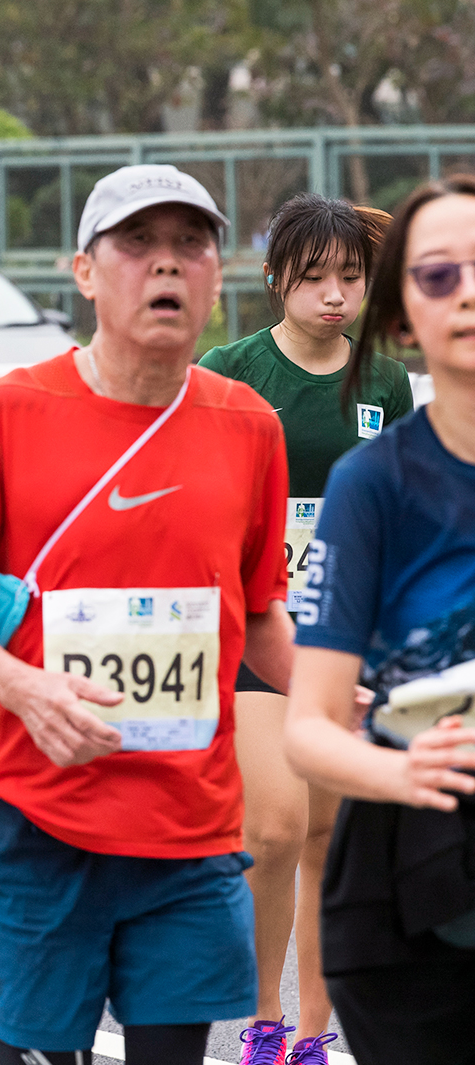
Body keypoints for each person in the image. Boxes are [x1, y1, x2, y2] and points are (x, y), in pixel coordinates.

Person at [0, 165, 292, 1065]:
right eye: (139, 244)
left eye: (190, 245)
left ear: (216, 274)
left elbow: (262, 612)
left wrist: (348, 704)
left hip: (189, 830)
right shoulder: (10, 411)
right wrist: (24, 688)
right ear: (85, 271)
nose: (168, 265)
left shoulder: (249, 425)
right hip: (39, 820)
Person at [197, 194, 412, 1063]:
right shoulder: (230, 370)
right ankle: (263, 1018)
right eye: (315, 277)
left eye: (350, 279)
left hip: (348, 636)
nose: (334, 295)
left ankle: (315, 1035)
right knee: (273, 828)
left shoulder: (385, 381)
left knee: (330, 837)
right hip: (255, 629)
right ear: (275, 277)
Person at [285, 175, 475, 1065]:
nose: (467, 290)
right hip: (413, 894)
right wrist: (403, 772)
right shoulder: (377, 485)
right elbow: (311, 730)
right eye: (440, 276)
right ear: (403, 316)